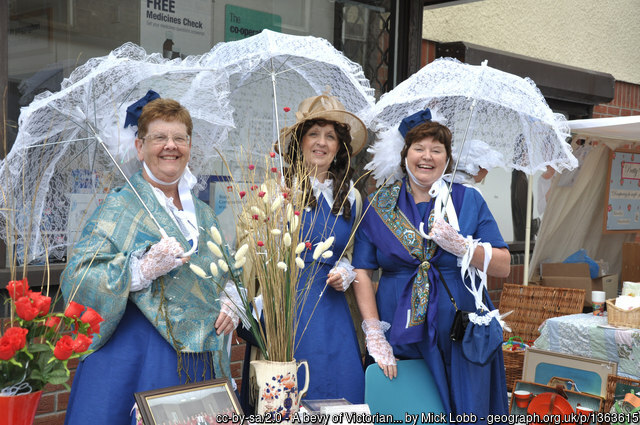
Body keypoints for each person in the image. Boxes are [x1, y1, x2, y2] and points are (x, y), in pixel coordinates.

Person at [61, 97, 240, 425]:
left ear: (189, 146)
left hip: (199, 363)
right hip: (135, 359)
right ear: (140, 147)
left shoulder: (203, 214)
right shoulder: (119, 207)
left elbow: (229, 270)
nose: (170, 146)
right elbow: (77, 278)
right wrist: (139, 270)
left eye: (180, 138)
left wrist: (232, 297)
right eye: (160, 138)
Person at [352, 109, 511, 421]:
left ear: (447, 158)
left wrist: (463, 247)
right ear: (405, 155)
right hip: (399, 329)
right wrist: (373, 332)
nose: (427, 157)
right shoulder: (378, 204)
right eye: (419, 148)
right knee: (409, 410)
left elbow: (503, 266)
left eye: (436, 150)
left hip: (459, 334)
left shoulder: (468, 200)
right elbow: (361, 270)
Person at [238, 94, 366, 408]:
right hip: (288, 314)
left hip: (335, 313)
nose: (321, 143)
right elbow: (248, 251)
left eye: (330, 136)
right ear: (300, 141)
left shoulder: (351, 196)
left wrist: (346, 271)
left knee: (342, 392)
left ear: (340, 146)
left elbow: (353, 252)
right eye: (314, 134)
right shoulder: (273, 191)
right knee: (286, 399)